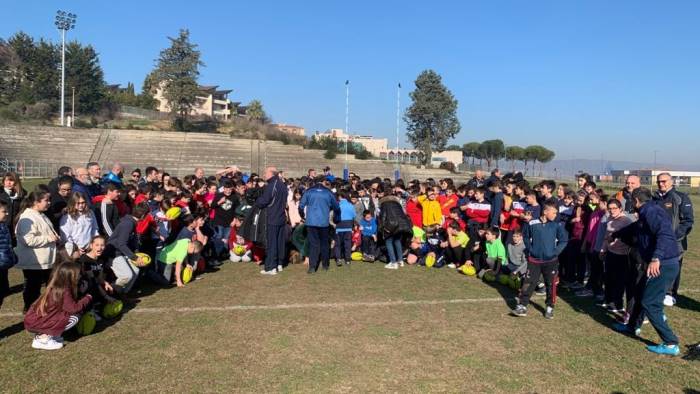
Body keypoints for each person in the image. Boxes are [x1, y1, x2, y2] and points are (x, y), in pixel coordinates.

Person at [614, 188, 681, 356]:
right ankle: (632, 327)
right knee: (639, 293)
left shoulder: (652, 212)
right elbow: (637, 227)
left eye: (631, 201)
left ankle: (671, 342)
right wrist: (617, 234)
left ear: (636, 201)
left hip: (663, 264)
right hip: (659, 262)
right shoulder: (646, 211)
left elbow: (665, 234)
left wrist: (656, 258)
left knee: (650, 303)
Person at [511, 203, 568, 319]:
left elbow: (563, 240)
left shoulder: (556, 225)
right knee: (528, 283)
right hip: (534, 260)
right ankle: (522, 306)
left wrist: (555, 252)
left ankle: (549, 307)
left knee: (550, 284)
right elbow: (525, 237)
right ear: (545, 212)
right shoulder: (532, 223)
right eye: (554, 212)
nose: (556, 215)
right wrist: (530, 249)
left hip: (551, 261)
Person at [24, 261, 93, 350]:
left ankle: (48, 334)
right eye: (78, 274)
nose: (80, 277)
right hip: (36, 323)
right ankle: (44, 338)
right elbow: (73, 308)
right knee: (75, 317)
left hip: (34, 321)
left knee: (69, 314)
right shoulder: (64, 290)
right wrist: (87, 297)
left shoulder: (57, 286)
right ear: (70, 276)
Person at [653, 172, 693, 307]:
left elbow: (687, 221)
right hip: (657, 240)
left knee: (672, 267)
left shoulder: (680, 197)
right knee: (657, 265)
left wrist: (673, 237)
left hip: (675, 243)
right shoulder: (654, 198)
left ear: (671, 182)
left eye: (664, 181)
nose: (661, 184)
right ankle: (658, 291)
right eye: (659, 181)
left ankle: (670, 294)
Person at [14, 190, 59, 312]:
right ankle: (29, 310)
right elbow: (27, 240)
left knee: (49, 286)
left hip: (44, 260)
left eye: (49, 200)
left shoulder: (41, 214)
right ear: (35, 202)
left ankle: (43, 308)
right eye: (46, 200)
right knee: (33, 289)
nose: (49, 203)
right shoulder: (27, 218)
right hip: (34, 262)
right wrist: (49, 238)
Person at [105, 204, 149, 296]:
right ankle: (111, 293)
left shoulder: (131, 222)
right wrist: (134, 257)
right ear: (143, 216)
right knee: (127, 275)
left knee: (135, 272)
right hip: (113, 253)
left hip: (121, 252)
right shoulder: (128, 224)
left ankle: (123, 294)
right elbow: (121, 244)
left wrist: (137, 253)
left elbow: (131, 242)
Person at [299, 176, 340, 274]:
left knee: (313, 244)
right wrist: (336, 218)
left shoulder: (308, 191)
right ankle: (325, 265)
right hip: (323, 222)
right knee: (324, 243)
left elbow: (301, 206)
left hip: (311, 222)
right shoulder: (328, 192)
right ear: (323, 182)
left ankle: (312, 267)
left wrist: (302, 216)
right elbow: (336, 207)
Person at [600, 199, 634, 313]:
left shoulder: (627, 221)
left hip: (622, 255)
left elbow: (631, 238)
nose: (612, 211)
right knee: (608, 277)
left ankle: (618, 304)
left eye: (614, 208)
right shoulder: (609, 219)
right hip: (610, 253)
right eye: (610, 209)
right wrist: (603, 250)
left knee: (619, 280)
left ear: (620, 209)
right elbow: (606, 236)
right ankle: (608, 300)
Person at [255, 167, 289, 275]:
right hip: (281, 217)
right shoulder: (282, 185)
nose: (264, 175)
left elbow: (264, 201)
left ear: (272, 174)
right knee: (279, 242)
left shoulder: (272, 185)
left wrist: (257, 200)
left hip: (273, 218)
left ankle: (270, 267)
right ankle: (279, 264)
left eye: (266, 173)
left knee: (272, 243)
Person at [377, 186, 413, 269]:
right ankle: (400, 260)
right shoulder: (397, 202)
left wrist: (382, 227)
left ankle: (393, 262)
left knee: (388, 242)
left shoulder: (384, 203)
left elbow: (383, 216)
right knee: (397, 241)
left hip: (391, 225)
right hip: (401, 225)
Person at [59, 192, 99, 258]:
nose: (81, 205)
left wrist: (95, 244)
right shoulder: (67, 217)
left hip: (89, 248)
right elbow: (65, 236)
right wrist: (75, 248)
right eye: (78, 203)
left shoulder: (90, 213)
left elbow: (94, 229)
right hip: (74, 250)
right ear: (73, 203)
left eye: (83, 203)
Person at [0, 201, 17, 309]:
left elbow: (7, 246)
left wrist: (12, 258)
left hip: (3, 267)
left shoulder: (3, 226)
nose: (7, 214)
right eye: (4, 211)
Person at [0, 171, 26, 244]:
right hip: (3, 228)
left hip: (16, 228)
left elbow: (22, 211)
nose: (8, 183)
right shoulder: (1, 193)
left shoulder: (21, 195)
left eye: (11, 180)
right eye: (6, 180)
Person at [334, 191, 356, 266]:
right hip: (348, 226)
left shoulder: (337, 204)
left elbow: (334, 216)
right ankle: (348, 260)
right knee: (348, 243)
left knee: (338, 244)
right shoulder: (351, 205)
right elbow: (354, 215)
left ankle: (338, 259)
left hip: (339, 226)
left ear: (340, 197)